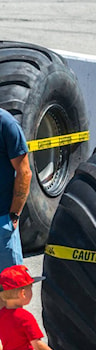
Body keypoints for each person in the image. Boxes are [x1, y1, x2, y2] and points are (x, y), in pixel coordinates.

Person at [0, 109, 31, 271]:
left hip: (2, 221)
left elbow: (24, 172)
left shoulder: (6, 123)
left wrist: (14, 215)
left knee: (11, 290)